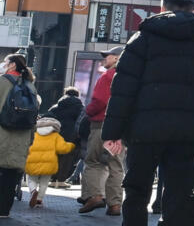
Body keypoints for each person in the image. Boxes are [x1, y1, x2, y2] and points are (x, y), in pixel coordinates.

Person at [102, 0, 194, 226]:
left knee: (137, 190)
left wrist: (112, 133)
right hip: (190, 132)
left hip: (144, 130)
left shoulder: (142, 38)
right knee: (179, 194)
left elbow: (123, 90)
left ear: (162, 9)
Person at [0, 54, 40, 219]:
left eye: (5, 62)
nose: (3, 65)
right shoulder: (30, 86)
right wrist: (30, 138)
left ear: (12, 65)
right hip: (22, 137)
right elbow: (34, 115)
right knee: (12, 175)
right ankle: (5, 211)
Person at [80, 45, 124, 215]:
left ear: (116, 58)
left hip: (101, 125)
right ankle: (115, 205)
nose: (104, 58)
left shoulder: (107, 76)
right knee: (116, 166)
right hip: (120, 129)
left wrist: (88, 112)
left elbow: (99, 101)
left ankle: (95, 197)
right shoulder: (131, 78)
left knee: (93, 161)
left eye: (108, 55)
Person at [25, 116, 74, 208]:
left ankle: (33, 191)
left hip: (33, 161)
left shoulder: (34, 134)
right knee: (44, 181)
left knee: (31, 178)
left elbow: (27, 144)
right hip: (49, 163)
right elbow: (62, 148)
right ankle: (39, 200)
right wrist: (71, 145)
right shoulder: (55, 136)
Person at [45, 86, 83, 188]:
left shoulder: (57, 106)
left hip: (57, 134)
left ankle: (52, 180)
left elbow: (47, 117)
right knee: (68, 158)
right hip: (72, 136)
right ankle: (61, 180)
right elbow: (82, 120)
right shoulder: (80, 106)